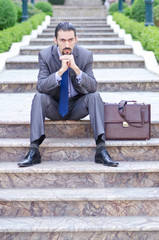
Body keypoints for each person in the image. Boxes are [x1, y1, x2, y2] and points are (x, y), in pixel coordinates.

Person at [18, 22, 119, 168]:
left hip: (77, 107)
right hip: (54, 106)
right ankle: (34, 150)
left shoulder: (85, 56)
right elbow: (41, 86)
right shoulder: (45, 56)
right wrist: (60, 72)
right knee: (38, 97)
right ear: (55, 40)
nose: (67, 44)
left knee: (95, 96)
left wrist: (76, 69)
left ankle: (101, 150)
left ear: (76, 40)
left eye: (70, 40)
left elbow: (92, 86)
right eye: (62, 40)